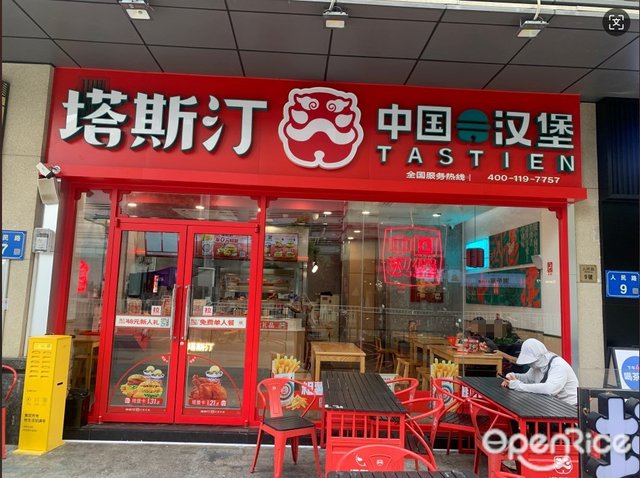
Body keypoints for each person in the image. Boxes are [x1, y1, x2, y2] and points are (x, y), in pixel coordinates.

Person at [500, 338, 579, 406]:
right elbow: (528, 378)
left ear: (538, 358)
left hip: (569, 408)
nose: (530, 364)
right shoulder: (538, 365)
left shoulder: (558, 366)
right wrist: (513, 376)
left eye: (532, 362)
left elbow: (549, 389)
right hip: (553, 404)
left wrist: (518, 386)